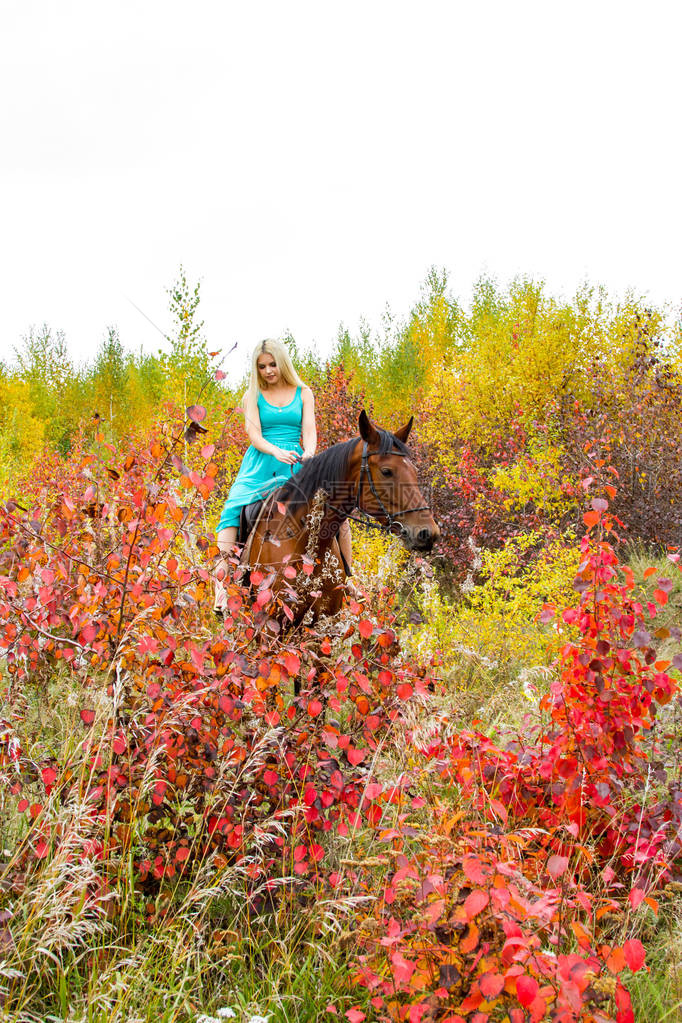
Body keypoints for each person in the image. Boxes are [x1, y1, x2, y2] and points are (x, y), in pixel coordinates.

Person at [214, 338, 352, 613]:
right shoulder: (252, 395)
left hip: (298, 461)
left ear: (283, 363)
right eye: (262, 366)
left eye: (273, 364)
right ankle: (223, 586)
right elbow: (253, 435)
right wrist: (275, 451)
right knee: (233, 509)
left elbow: (309, 430)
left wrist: (310, 454)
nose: (268, 371)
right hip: (261, 463)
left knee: (337, 510)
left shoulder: (304, 393)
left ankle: (347, 580)